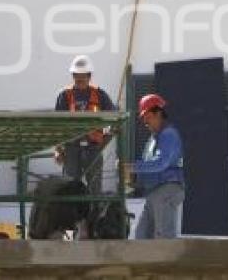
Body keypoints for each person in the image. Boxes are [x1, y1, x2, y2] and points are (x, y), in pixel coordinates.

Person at [54, 56, 117, 193]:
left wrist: (104, 141)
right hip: (71, 149)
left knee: (94, 190)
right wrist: (58, 150)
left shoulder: (100, 95)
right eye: (76, 76)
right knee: (70, 188)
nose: (79, 79)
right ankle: (71, 214)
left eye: (83, 76)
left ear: (89, 76)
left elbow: (116, 119)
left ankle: (94, 213)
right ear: (73, 76)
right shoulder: (64, 95)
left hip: (93, 149)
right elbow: (57, 125)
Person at [128, 93, 184, 239]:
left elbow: (161, 163)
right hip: (153, 193)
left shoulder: (168, 135)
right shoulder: (153, 138)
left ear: (158, 113)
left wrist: (132, 167)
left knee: (163, 237)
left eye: (148, 118)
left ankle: (168, 262)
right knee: (141, 236)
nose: (145, 123)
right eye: (144, 120)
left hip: (166, 190)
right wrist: (134, 182)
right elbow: (149, 165)